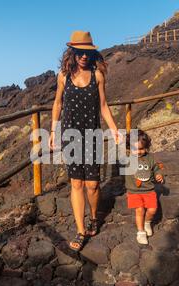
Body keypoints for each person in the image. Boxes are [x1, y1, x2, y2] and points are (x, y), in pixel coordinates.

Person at [49, 31, 121, 252]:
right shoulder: (63, 76)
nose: (83, 56)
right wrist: (53, 131)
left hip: (92, 135)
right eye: (80, 52)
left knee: (93, 185)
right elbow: (58, 104)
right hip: (70, 135)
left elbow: (103, 106)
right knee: (76, 183)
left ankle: (93, 218)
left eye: (87, 52)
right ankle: (80, 231)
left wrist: (115, 129)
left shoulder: (98, 75)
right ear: (72, 52)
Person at [125, 130, 164, 245]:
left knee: (152, 210)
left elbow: (156, 168)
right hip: (134, 191)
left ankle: (147, 222)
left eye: (141, 149)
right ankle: (141, 232)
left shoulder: (150, 158)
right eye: (135, 149)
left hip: (149, 190)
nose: (138, 152)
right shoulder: (127, 157)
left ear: (146, 147)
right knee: (139, 210)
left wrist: (158, 174)